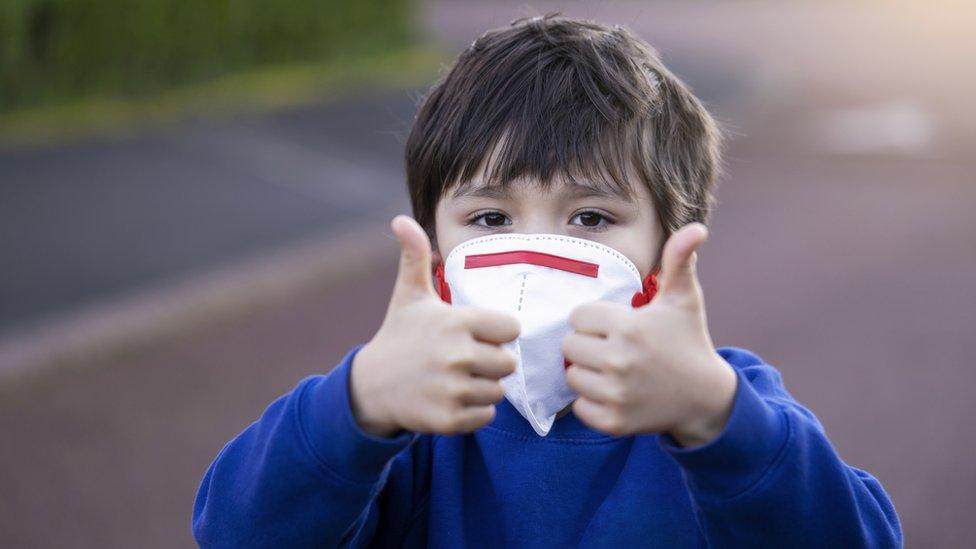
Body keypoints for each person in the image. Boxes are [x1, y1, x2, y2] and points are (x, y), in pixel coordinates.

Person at [192, 14, 901, 547]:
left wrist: (718, 418)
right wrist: (360, 402)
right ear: (436, 250)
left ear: (666, 249)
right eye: (491, 217)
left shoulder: (720, 404)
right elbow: (234, 530)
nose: (536, 254)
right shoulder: (403, 415)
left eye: (591, 216)